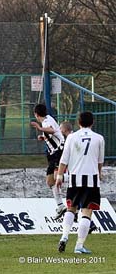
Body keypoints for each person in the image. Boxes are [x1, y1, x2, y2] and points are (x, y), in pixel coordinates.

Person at [56, 112, 104, 254]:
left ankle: (64, 236)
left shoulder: (71, 137)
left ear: (78, 123)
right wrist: (99, 173)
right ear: (92, 122)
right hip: (91, 180)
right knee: (86, 212)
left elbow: (64, 159)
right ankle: (79, 246)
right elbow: (100, 162)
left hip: (75, 179)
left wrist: (59, 176)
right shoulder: (99, 138)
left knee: (71, 208)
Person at [59, 120, 97, 234]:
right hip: (83, 175)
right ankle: (87, 223)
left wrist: (61, 175)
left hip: (76, 175)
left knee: (78, 202)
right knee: (81, 202)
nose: (59, 132)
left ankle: (89, 224)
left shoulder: (72, 139)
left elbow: (67, 158)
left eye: (60, 129)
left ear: (65, 130)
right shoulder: (77, 138)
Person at [30, 104, 66, 219]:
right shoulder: (48, 119)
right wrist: (43, 137)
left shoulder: (46, 121)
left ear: (36, 114)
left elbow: (51, 129)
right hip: (53, 154)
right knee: (50, 182)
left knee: (57, 177)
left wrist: (40, 129)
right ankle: (60, 206)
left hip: (58, 151)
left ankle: (78, 180)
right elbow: (52, 133)